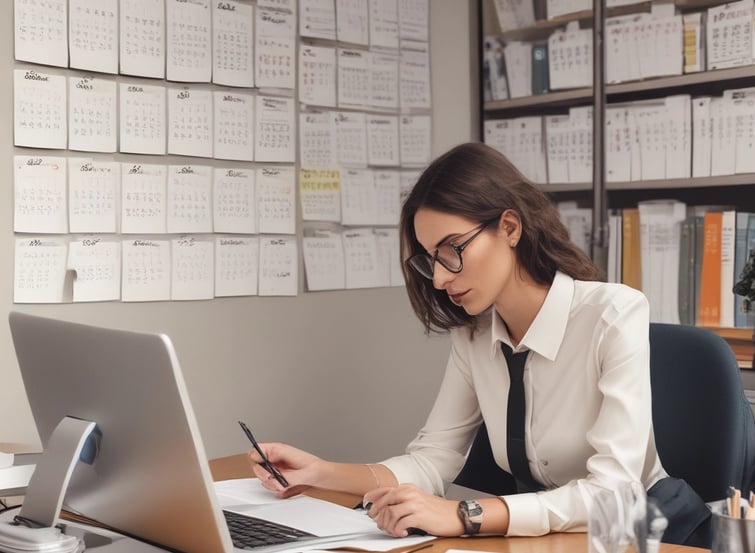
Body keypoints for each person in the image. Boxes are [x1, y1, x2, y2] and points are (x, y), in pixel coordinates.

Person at [249, 142, 710, 545]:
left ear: (509, 228)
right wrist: (320, 473)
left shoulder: (614, 313)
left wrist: (461, 515)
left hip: (653, 536)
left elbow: (612, 492)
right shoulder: (474, 336)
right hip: (552, 539)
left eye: (454, 248)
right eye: (431, 260)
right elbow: (434, 459)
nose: (443, 276)